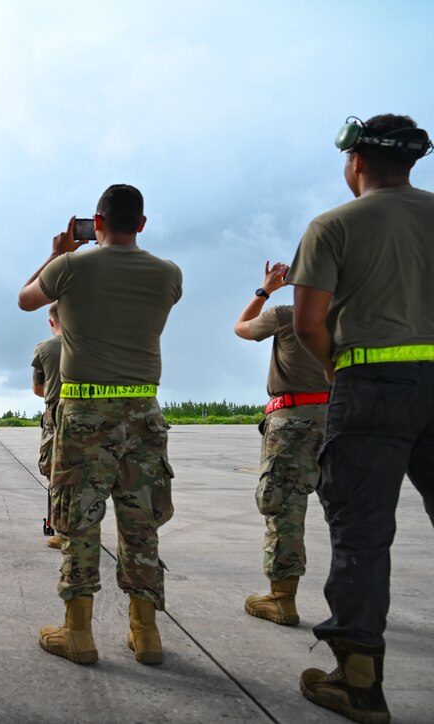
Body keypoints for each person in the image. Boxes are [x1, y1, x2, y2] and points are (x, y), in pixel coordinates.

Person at [289, 113, 434, 724]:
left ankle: (358, 682)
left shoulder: (332, 226)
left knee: (362, 535)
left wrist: (332, 368)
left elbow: (307, 324)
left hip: (369, 384)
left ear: (355, 163)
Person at [18, 184, 182, 667]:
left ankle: (79, 633)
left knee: (79, 523)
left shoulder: (71, 268)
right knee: (141, 524)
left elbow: (27, 301)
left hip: (85, 411)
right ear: (143, 223)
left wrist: (56, 255)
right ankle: (146, 633)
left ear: (97, 222)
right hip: (144, 411)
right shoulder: (169, 274)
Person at [233, 261, 329, 626]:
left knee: (285, 509)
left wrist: (264, 290)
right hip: (338, 419)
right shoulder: (349, 318)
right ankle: (358, 600)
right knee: (350, 513)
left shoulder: (285, 315)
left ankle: (282, 599)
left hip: (292, 421)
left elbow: (241, 329)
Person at [30, 302, 62, 550]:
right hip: (96, 412)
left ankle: (60, 529)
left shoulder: (44, 349)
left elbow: (38, 389)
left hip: (56, 414)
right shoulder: (93, 345)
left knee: (55, 473)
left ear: (52, 322)